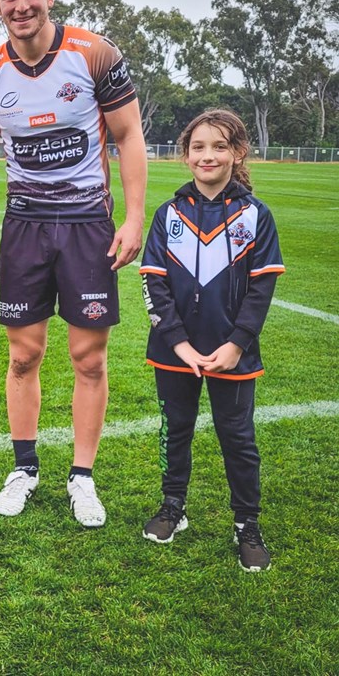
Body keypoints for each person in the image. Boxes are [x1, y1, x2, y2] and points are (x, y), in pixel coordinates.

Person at [0, 0, 147, 526]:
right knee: (24, 354)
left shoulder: (94, 55)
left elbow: (129, 137)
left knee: (87, 356)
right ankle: (24, 467)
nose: (21, 5)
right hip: (24, 227)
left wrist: (134, 217)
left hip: (88, 226)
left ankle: (82, 477)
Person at [139, 109, 284, 572]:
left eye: (219, 147)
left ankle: (247, 524)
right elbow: (153, 284)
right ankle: (172, 507)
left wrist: (238, 343)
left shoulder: (255, 216)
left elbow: (262, 289)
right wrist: (179, 343)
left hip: (232, 353)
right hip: (174, 351)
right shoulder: (169, 214)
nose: (208, 156)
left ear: (237, 153)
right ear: (185, 156)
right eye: (198, 147)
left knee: (237, 438)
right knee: (174, 431)